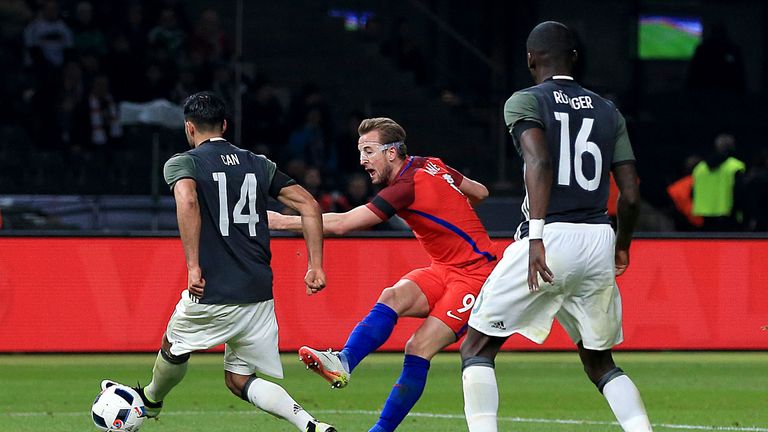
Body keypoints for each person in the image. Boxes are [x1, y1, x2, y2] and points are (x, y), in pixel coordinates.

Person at [102, 91, 336, 432]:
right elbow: (310, 205)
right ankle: (310, 424)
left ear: (189, 128)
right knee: (240, 379)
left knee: (173, 346)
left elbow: (187, 201)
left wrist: (193, 265)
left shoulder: (184, 162)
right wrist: (315, 266)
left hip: (214, 288)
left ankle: (150, 401)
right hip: (258, 291)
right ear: (225, 125)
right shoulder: (258, 163)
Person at [460, 22, 652, 432]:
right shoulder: (608, 111)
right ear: (575, 58)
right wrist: (623, 246)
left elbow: (540, 162)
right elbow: (632, 195)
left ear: (531, 59)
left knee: (477, 346)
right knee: (599, 361)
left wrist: (537, 235)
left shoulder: (524, 101)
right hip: (600, 237)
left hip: (551, 235)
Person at [268, 117, 500, 432]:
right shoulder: (431, 164)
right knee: (392, 296)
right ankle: (344, 362)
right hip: (443, 269)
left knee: (418, 347)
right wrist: (454, 204)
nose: (362, 160)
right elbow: (481, 192)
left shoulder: (405, 187)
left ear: (391, 153)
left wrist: (281, 222)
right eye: (361, 151)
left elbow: (342, 224)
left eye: (368, 151)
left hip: (476, 275)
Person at [691, 133, 745, 231]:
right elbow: (740, 193)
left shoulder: (699, 168)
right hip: (729, 218)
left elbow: (692, 191)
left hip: (704, 219)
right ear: (732, 147)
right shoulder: (735, 166)